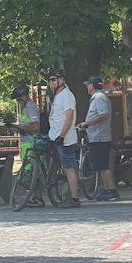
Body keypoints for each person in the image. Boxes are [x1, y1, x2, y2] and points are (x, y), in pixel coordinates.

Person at [79, 76, 119, 201]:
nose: (87, 86)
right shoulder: (96, 98)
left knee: (103, 165)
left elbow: (104, 115)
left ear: (93, 85)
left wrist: (88, 124)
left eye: (88, 84)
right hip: (96, 136)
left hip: (100, 137)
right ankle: (107, 190)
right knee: (100, 166)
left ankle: (112, 191)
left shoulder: (99, 98)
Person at [4, 84, 43, 206]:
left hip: (31, 142)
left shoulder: (30, 107)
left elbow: (36, 126)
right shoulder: (26, 108)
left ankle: (36, 197)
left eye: (18, 99)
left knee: (29, 171)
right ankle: (36, 197)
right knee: (30, 171)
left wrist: (19, 127)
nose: (18, 102)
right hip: (27, 142)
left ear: (24, 97)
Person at [47, 69, 81, 208]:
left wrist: (61, 136)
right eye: (49, 80)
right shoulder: (57, 95)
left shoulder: (66, 95)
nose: (51, 83)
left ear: (61, 80)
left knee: (69, 168)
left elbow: (69, 117)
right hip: (54, 135)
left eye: (53, 79)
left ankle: (74, 199)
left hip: (65, 138)